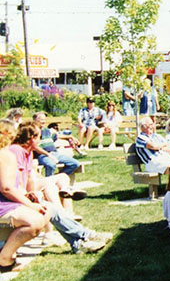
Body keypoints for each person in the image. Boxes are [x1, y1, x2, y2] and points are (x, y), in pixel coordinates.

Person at [0, 121, 112, 265]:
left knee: (51, 202)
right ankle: (83, 237)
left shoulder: (23, 153)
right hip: (8, 203)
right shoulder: (14, 152)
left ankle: (81, 240)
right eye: (39, 136)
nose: (41, 140)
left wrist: (32, 194)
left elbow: (26, 180)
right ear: (32, 138)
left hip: (14, 200)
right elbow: (11, 186)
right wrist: (30, 201)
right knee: (48, 204)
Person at [31, 112, 81, 180]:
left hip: (55, 153)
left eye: (44, 119)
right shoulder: (32, 132)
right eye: (41, 120)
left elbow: (57, 136)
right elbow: (34, 147)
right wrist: (48, 155)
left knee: (75, 164)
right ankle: (49, 183)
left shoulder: (47, 131)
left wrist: (71, 137)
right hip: (42, 155)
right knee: (51, 165)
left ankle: (56, 178)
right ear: (35, 120)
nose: (44, 122)